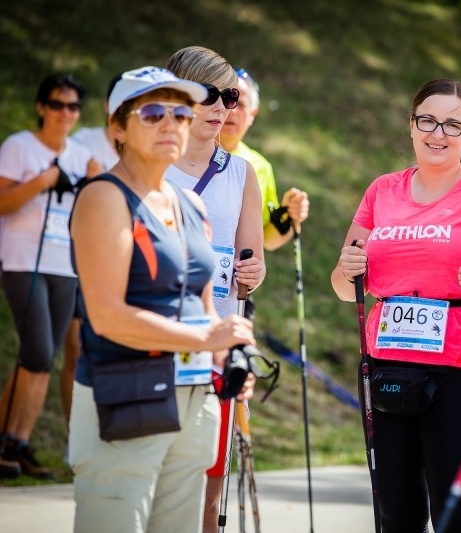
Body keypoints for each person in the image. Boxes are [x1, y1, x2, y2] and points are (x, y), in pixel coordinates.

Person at [331, 78, 461, 532]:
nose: (437, 134)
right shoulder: (382, 190)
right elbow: (346, 288)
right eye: (428, 121)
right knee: (395, 513)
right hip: (389, 365)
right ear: (411, 125)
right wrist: (347, 270)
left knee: (456, 514)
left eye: (451, 124)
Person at [69, 65, 256, 533]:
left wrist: (229, 350)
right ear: (117, 128)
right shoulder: (104, 197)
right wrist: (205, 335)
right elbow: (107, 315)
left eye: (179, 112)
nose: (171, 124)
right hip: (125, 394)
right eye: (153, 113)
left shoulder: (187, 205)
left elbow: (207, 310)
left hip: (194, 398)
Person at [163, 46, 266, 533]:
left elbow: (253, 259)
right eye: (209, 94)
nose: (222, 107)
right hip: (155, 337)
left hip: (218, 343)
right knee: (157, 480)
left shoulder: (241, 173)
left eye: (229, 96)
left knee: (210, 481)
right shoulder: (149, 165)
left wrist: (253, 273)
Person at [0, 73, 101, 479]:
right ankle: (8, 440)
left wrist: (93, 184)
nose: (65, 113)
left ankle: (17, 441)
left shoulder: (80, 155)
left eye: (73, 106)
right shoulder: (19, 147)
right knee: (38, 352)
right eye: (57, 104)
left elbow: (94, 211)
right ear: (42, 106)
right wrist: (42, 181)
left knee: (42, 357)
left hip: (66, 264)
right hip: (24, 261)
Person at [218, 66, 309, 318]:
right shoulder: (186, 153)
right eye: (228, 100)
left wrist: (291, 217)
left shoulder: (258, 166)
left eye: (242, 104)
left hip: (233, 289)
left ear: (253, 114)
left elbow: (268, 239)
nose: (233, 111)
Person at [62, 73, 123, 428]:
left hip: (121, 262)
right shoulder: (83, 142)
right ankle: (76, 433)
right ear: (107, 105)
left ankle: (105, 428)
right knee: (77, 349)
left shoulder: (145, 148)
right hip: (79, 257)